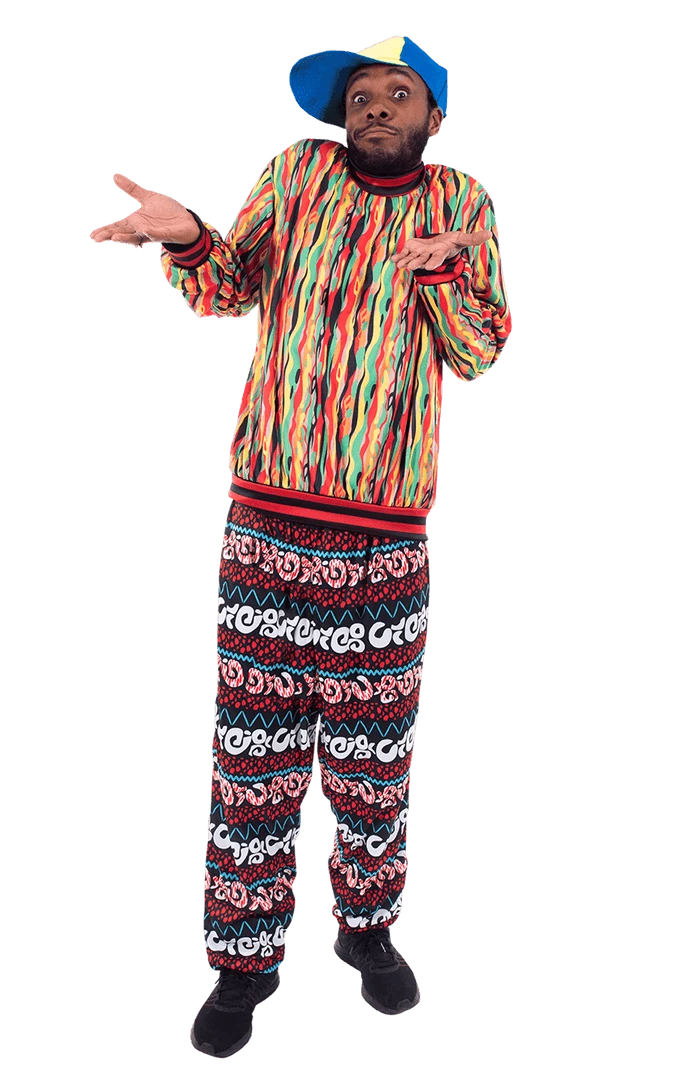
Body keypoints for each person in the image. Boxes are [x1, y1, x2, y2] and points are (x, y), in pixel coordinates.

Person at [90, 36, 511, 1061]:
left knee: (372, 755)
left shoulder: (463, 202)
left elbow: (480, 351)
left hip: (385, 527)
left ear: (433, 118)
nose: (374, 108)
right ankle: (242, 959)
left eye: (397, 94)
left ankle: (367, 926)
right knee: (253, 752)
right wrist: (188, 237)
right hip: (266, 518)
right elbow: (225, 285)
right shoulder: (292, 175)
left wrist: (447, 272)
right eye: (359, 95)